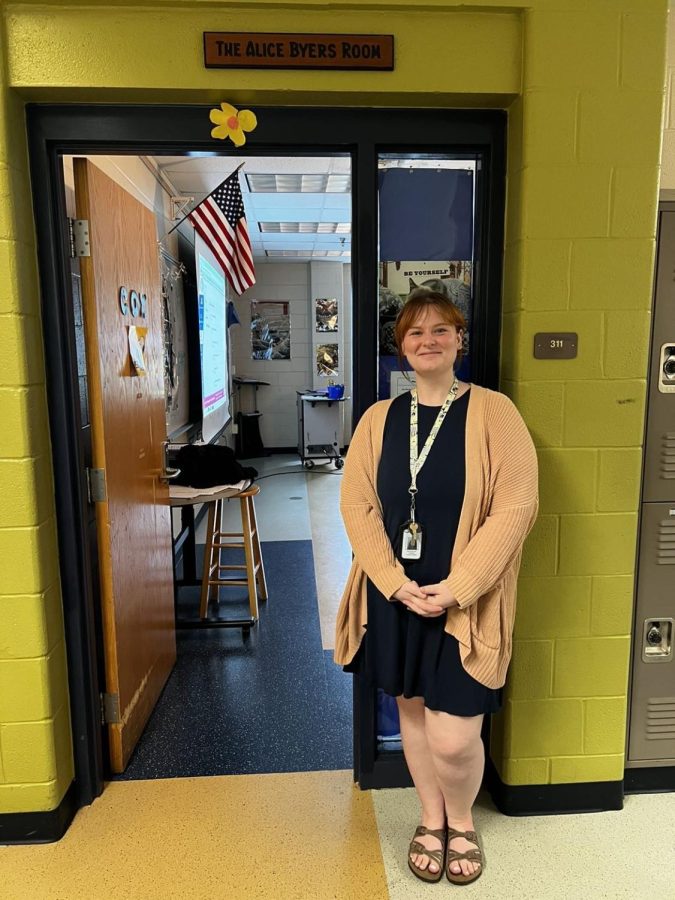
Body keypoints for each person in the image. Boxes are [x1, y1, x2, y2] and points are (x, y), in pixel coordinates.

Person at [334, 291, 538, 885]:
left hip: (464, 604)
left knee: (454, 737)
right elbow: (357, 507)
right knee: (413, 714)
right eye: (414, 332)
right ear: (400, 347)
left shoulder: (495, 412)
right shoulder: (378, 419)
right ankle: (431, 819)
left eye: (440, 330)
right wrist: (395, 584)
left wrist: (459, 587)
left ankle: (462, 822)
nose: (428, 340)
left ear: (459, 339)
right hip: (396, 598)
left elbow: (516, 508)